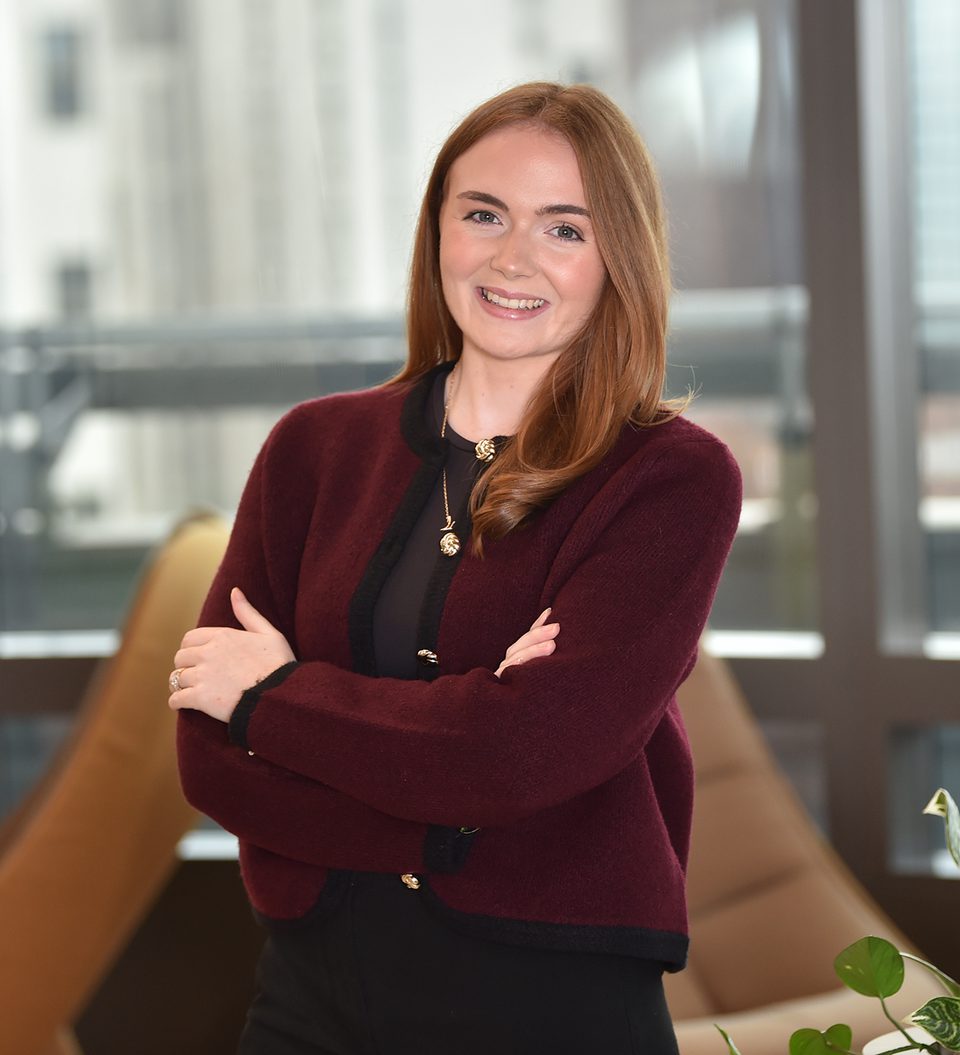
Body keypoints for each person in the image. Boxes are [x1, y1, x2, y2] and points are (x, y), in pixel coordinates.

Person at [170, 81, 741, 1054]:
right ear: (439, 227)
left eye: (566, 228)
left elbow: (522, 753)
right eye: (485, 214)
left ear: (619, 258)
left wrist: (275, 696)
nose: (514, 257)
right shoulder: (312, 448)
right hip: (314, 995)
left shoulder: (671, 480)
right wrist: (455, 798)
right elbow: (210, 757)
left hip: (554, 1002)